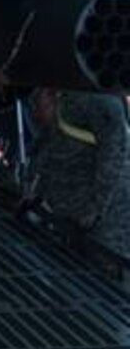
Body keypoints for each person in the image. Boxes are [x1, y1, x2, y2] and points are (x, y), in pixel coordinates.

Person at [24, 87, 130, 258]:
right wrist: (35, 192)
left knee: (104, 278)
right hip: (71, 218)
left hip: (107, 225)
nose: (36, 115)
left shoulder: (97, 100)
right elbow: (47, 150)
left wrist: (94, 212)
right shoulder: (60, 101)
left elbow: (114, 155)